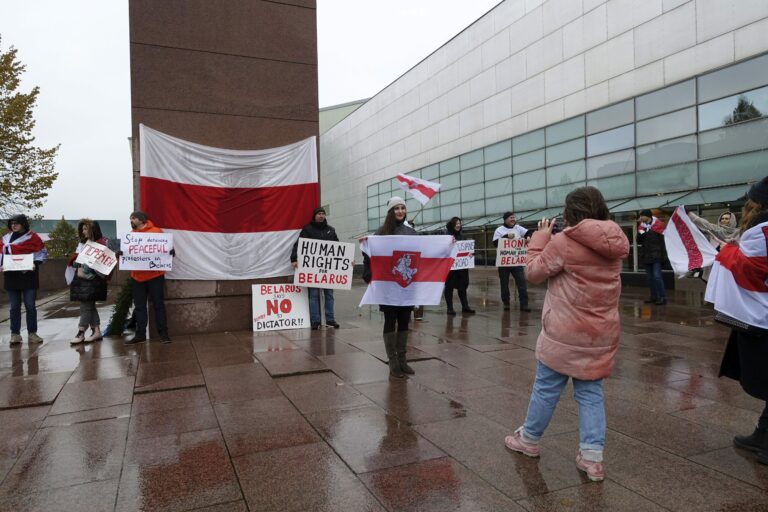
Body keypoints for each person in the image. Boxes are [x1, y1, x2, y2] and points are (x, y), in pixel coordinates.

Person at [503, 186, 629, 482]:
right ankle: (592, 458)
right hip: (600, 333)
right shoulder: (615, 241)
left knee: (546, 387)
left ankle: (529, 439)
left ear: (571, 212)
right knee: (591, 394)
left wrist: (540, 239)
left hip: (564, 333)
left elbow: (533, 273)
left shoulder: (564, 242)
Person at [706, 176, 768, 465]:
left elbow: (748, 268)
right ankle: (762, 435)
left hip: (762, 318)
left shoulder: (762, 231)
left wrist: (722, 251)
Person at [362, 196, 417, 379]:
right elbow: (369, 255)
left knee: (404, 321)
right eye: (396, 208)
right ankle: (393, 362)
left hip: (406, 286)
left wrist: (448, 244)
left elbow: (424, 252)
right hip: (388, 286)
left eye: (403, 207)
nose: (400, 211)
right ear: (390, 212)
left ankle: (402, 360)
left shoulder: (411, 232)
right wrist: (368, 272)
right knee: (390, 320)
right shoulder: (381, 232)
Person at [124, 211, 171, 344]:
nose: (131, 221)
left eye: (132, 218)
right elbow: (128, 254)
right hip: (137, 277)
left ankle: (164, 334)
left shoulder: (157, 232)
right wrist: (121, 253)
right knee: (139, 307)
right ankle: (140, 335)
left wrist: (171, 251)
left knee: (158, 305)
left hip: (155, 276)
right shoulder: (131, 236)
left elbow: (167, 248)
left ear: (141, 219)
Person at [291, 207, 340, 330]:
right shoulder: (307, 229)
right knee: (313, 295)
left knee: (329, 294)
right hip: (312, 269)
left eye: (323, 214)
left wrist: (348, 260)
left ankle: (330, 319)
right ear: (314, 216)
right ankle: (315, 321)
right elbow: (299, 244)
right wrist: (294, 259)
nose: (321, 216)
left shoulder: (331, 230)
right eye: (319, 213)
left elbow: (339, 248)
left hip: (328, 270)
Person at [1, 215, 47, 345]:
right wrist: (2, 264)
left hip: (28, 277)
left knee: (30, 306)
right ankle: (15, 334)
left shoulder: (33, 238)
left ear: (23, 224)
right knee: (14, 307)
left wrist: (35, 263)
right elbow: (1, 254)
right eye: (12, 223)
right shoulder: (6, 239)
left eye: (16, 223)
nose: (13, 225)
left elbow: (41, 253)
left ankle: (32, 333)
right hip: (11, 277)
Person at [68, 220, 109, 344]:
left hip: (94, 279)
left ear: (93, 230)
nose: (83, 231)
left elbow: (104, 262)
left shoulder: (101, 243)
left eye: (86, 229)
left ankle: (81, 332)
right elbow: (75, 260)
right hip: (82, 279)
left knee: (85, 306)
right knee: (90, 306)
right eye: (83, 229)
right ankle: (96, 331)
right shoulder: (82, 244)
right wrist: (77, 260)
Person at [493, 212, 530, 312]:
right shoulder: (499, 230)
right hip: (504, 263)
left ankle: (524, 304)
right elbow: (495, 243)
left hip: (516, 261)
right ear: (505, 219)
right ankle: (506, 302)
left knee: (521, 282)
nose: (513, 219)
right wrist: (505, 236)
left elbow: (528, 232)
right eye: (511, 217)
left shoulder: (518, 228)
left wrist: (528, 237)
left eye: (514, 217)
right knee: (504, 283)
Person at [444, 217, 474, 315]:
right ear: (452, 225)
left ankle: (465, 306)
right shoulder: (447, 236)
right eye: (456, 223)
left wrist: (470, 254)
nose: (458, 225)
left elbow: (466, 250)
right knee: (449, 287)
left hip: (461, 268)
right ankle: (450, 308)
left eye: (459, 223)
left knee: (463, 287)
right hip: (451, 268)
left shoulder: (462, 236)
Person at [637, 208, 667, 305]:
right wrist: (645, 231)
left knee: (657, 277)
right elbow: (639, 240)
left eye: (642, 216)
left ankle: (662, 297)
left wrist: (663, 256)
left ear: (647, 216)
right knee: (650, 278)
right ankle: (654, 297)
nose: (640, 218)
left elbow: (663, 242)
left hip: (656, 256)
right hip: (646, 256)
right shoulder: (641, 227)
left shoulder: (658, 226)